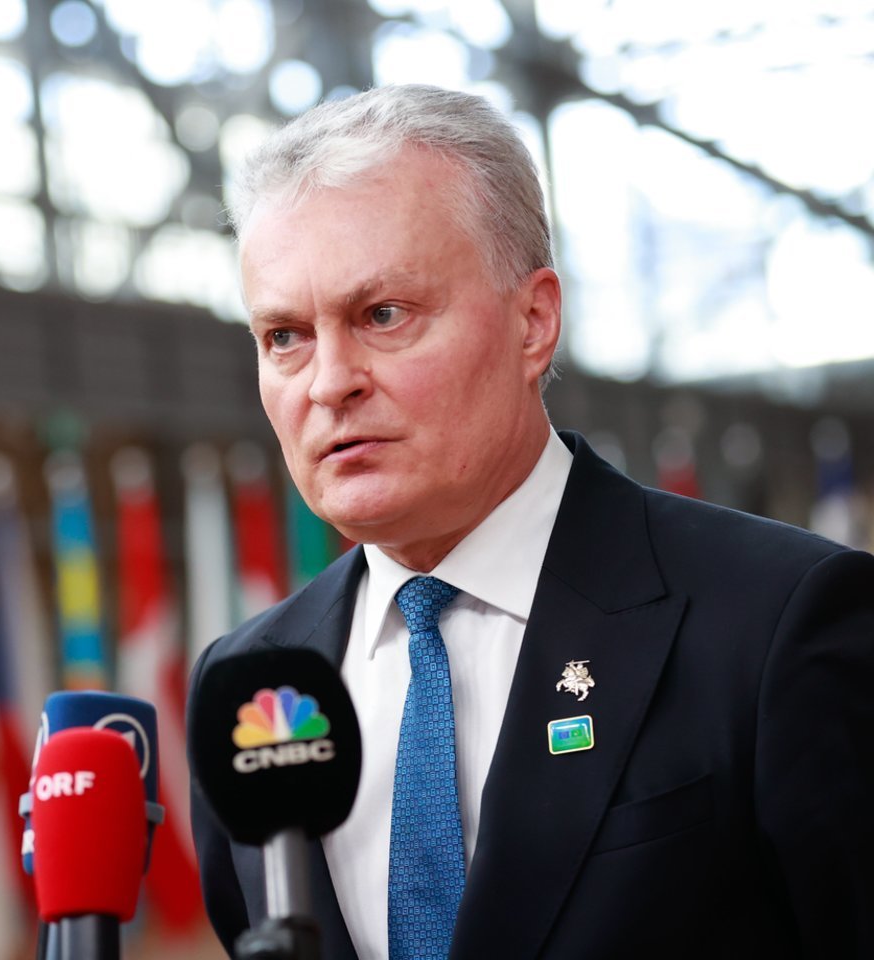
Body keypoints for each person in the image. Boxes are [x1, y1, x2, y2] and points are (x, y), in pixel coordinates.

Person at [187, 83, 873, 959]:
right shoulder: (247, 688)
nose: (328, 383)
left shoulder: (779, 623)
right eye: (285, 337)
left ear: (533, 322)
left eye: (383, 315)